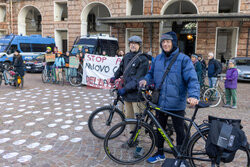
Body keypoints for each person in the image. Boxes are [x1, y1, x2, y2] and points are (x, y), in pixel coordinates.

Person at [139, 31, 200, 164]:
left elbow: (192, 79)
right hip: (160, 101)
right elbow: (150, 74)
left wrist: (194, 95)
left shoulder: (183, 59)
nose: (165, 44)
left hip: (177, 102)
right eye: (163, 42)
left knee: (180, 131)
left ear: (173, 43)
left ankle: (181, 157)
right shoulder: (158, 59)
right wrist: (145, 80)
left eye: (168, 42)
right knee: (160, 129)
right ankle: (160, 153)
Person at [110, 35, 150, 119]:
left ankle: (140, 132)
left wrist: (125, 89)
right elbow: (121, 69)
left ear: (139, 46)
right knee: (128, 117)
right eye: (131, 43)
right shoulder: (127, 56)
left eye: (135, 44)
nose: (133, 45)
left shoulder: (143, 59)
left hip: (137, 96)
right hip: (127, 95)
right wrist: (115, 77)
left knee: (138, 119)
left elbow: (138, 79)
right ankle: (132, 132)